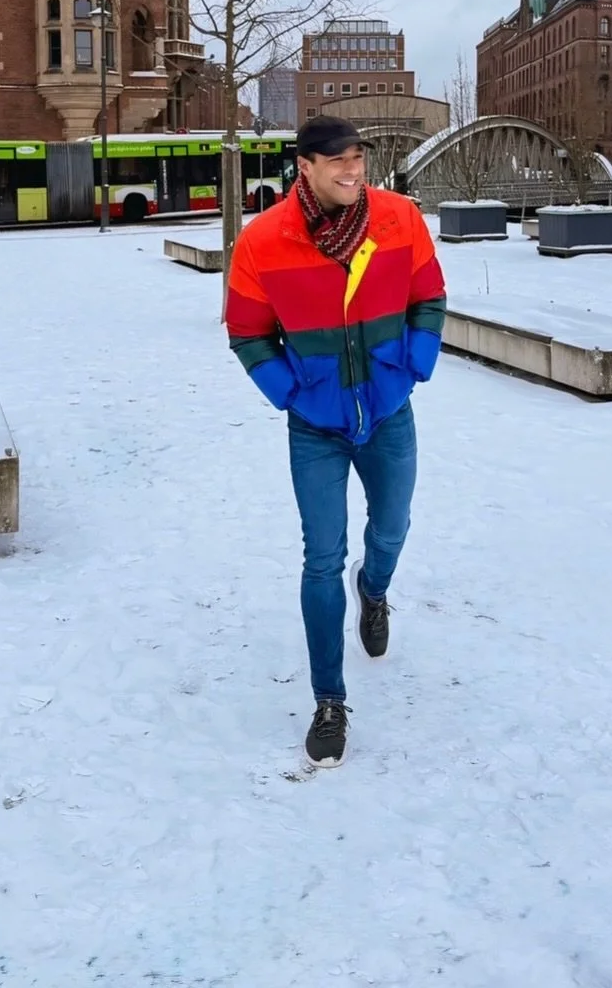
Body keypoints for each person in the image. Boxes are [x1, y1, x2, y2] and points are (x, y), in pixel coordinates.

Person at [226, 116, 446, 767]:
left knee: (393, 529)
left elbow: (429, 297)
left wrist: (412, 366)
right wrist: (292, 394)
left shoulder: (399, 218)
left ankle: (373, 590)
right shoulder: (264, 240)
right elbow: (247, 332)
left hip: (388, 412)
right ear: (306, 168)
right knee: (321, 557)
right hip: (315, 427)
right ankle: (329, 700)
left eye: (359, 158)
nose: (354, 171)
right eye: (339, 162)